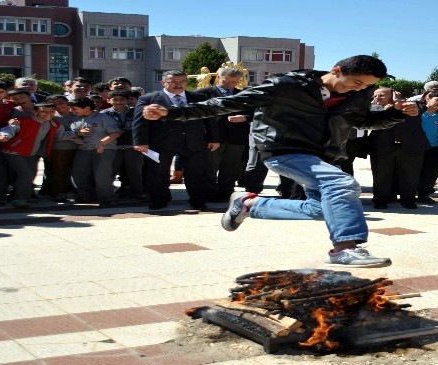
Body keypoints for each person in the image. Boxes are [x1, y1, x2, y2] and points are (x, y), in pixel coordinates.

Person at [142, 55, 419, 268]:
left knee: (321, 208)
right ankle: (345, 249)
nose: (358, 89)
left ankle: (250, 204)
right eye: (356, 82)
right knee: (343, 184)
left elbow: (362, 121)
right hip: (283, 149)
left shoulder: (358, 96)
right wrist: (171, 114)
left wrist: (397, 114)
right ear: (336, 71)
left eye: (367, 87)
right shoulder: (287, 86)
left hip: (322, 155)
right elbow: (226, 104)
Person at [133, 70, 219, 210]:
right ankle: (159, 200)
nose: (178, 85)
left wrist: (213, 138)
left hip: (194, 141)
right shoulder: (149, 99)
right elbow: (139, 122)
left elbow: (210, 119)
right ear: (163, 82)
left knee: (196, 173)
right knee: (158, 173)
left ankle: (198, 201)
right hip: (161, 142)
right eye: (173, 82)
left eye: (182, 81)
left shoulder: (199, 97)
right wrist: (140, 141)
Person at [195, 65, 253, 201]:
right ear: (219, 77)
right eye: (226, 81)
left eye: (234, 82)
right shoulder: (203, 93)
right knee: (209, 167)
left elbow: (256, 113)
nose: (230, 85)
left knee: (232, 167)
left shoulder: (244, 94)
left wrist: (244, 118)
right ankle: (208, 192)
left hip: (236, 138)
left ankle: (227, 192)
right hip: (212, 137)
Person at [368, 87, 427, 209]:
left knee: (410, 175)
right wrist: (388, 109)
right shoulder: (373, 109)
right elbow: (372, 117)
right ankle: (380, 200)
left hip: (410, 147)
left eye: (381, 96)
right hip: (382, 147)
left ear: (393, 95)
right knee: (381, 176)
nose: (377, 98)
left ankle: (408, 200)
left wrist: (399, 102)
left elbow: (422, 108)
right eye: (375, 96)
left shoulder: (410, 106)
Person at [0, 103, 62, 208]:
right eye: (43, 111)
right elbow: (9, 129)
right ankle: (20, 199)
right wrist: (3, 135)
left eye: (52, 111)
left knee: (30, 174)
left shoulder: (54, 124)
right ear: (36, 112)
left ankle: (16, 196)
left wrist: (77, 134)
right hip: (13, 151)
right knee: (25, 174)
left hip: (32, 153)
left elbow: (61, 135)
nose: (48, 114)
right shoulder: (24, 121)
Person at [69, 97, 122, 207]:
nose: (73, 111)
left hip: (103, 149)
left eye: (75, 108)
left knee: (101, 175)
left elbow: (115, 133)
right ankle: (86, 196)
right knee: (79, 174)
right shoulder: (75, 119)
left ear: (87, 108)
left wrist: (102, 143)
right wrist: (77, 136)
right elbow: (73, 133)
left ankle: (107, 198)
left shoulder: (104, 118)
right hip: (83, 149)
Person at [103, 90, 145, 200]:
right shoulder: (104, 114)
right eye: (115, 99)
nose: (119, 102)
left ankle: (136, 194)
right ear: (109, 100)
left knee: (135, 171)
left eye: (122, 99)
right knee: (110, 171)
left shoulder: (137, 112)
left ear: (127, 100)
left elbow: (142, 128)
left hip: (132, 146)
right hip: (112, 146)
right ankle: (107, 194)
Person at [416, 91, 438, 204]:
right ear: (428, 98)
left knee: (431, 173)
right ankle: (408, 194)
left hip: (434, 148)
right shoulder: (416, 112)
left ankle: (424, 195)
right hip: (415, 147)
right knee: (412, 172)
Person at [0, 79, 16, 207]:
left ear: (6, 92)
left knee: (2, 170)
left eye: (0, 92)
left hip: (6, 140)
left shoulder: (10, 105)